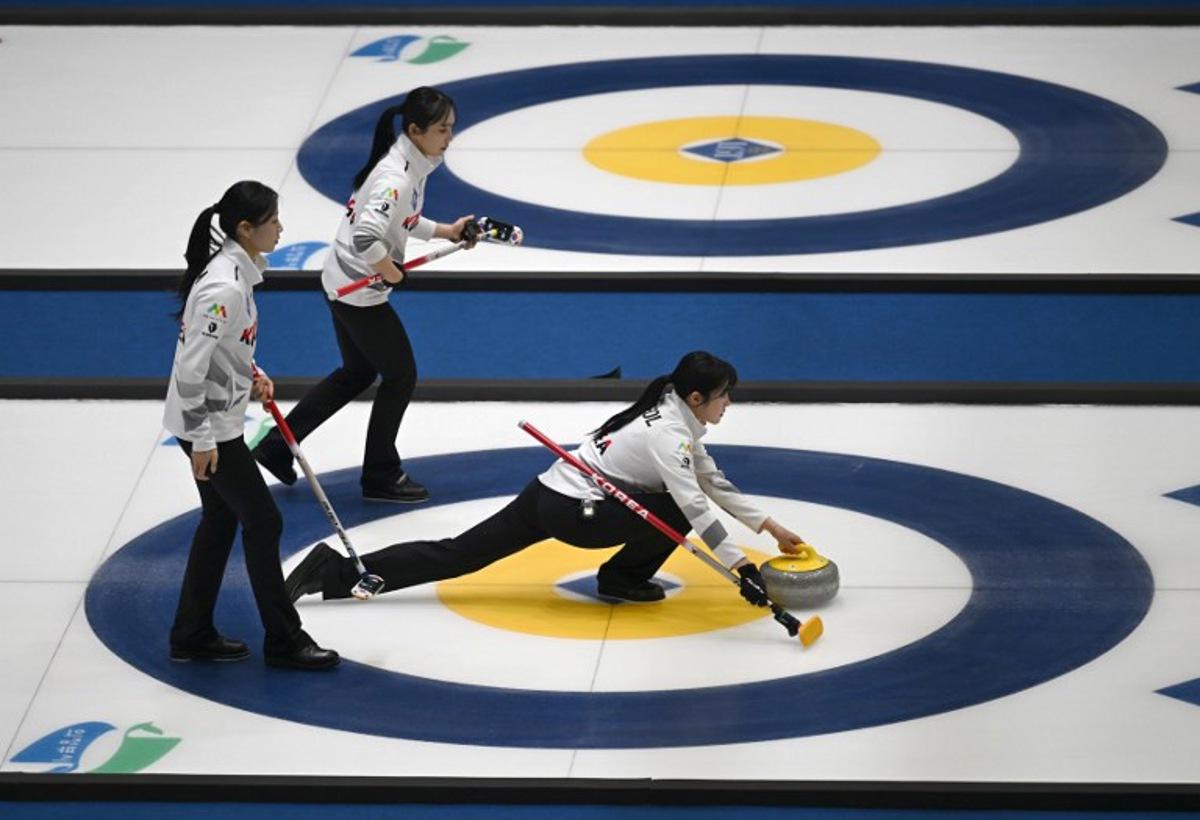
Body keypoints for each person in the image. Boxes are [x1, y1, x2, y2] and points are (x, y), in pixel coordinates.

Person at [283, 351, 807, 607]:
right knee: (672, 506)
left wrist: (772, 530)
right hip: (578, 512)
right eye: (724, 396)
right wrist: (741, 569)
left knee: (458, 553)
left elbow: (713, 482)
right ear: (697, 398)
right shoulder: (669, 436)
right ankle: (621, 578)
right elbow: (695, 503)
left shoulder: (672, 414)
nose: (728, 404)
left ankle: (336, 571)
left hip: (550, 491)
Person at [251, 86, 479, 503]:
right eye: (443, 129)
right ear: (416, 129)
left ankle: (276, 445)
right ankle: (380, 474)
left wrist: (446, 231)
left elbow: (399, 219)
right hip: (358, 292)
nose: (449, 138)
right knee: (400, 375)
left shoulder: (406, 163)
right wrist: (391, 273)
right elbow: (367, 236)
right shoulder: (395, 177)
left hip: (341, 281)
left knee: (357, 372)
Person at [163, 181, 339, 671]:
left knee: (221, 520)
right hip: (210, 427)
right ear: (245, 228)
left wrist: (252, 374)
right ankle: (284, 640)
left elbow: (227, 349)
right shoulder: (224, 286)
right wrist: (201, 440)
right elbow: (192, 367)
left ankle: (191, 632)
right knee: (263, 521)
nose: (281, 228)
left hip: (212, 419)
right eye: (273, 220)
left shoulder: (234, 273)